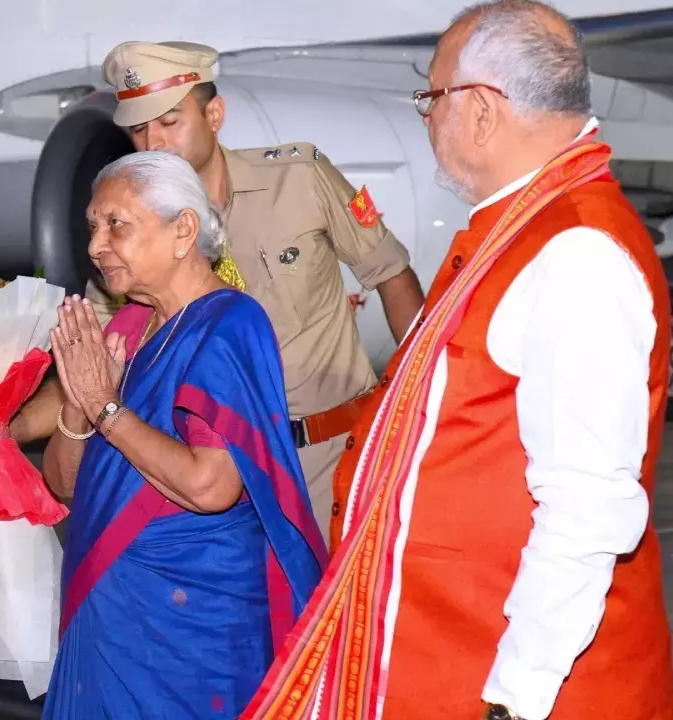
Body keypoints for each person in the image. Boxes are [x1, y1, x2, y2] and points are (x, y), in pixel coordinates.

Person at [244, 2, 673, 719]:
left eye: (430, 98)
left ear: (479, 111)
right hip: (442, 653)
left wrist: (514, 699)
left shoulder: (577, 255)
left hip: (508, 684)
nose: (425, 117)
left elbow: (588, 511)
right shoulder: (520, 231)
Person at [11, 41, 425, 541]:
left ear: (214, 114)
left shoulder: (298, 178)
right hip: (206, 475)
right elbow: (91, 369)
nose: (154, 144)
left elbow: (391, 273)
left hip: (325, 457)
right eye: (139, 129)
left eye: (170, 122)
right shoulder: (130, 246)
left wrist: (424, 404)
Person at [40, 151, 326, 718]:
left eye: (116, 223)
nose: (97, 245)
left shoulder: (229, 323)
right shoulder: (127, 327)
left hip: (188, 631)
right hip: (112, 618)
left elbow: (209, 486)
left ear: (184, 230)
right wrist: (79, 409)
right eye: (93, 227)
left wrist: (108, 407)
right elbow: (64, 485)